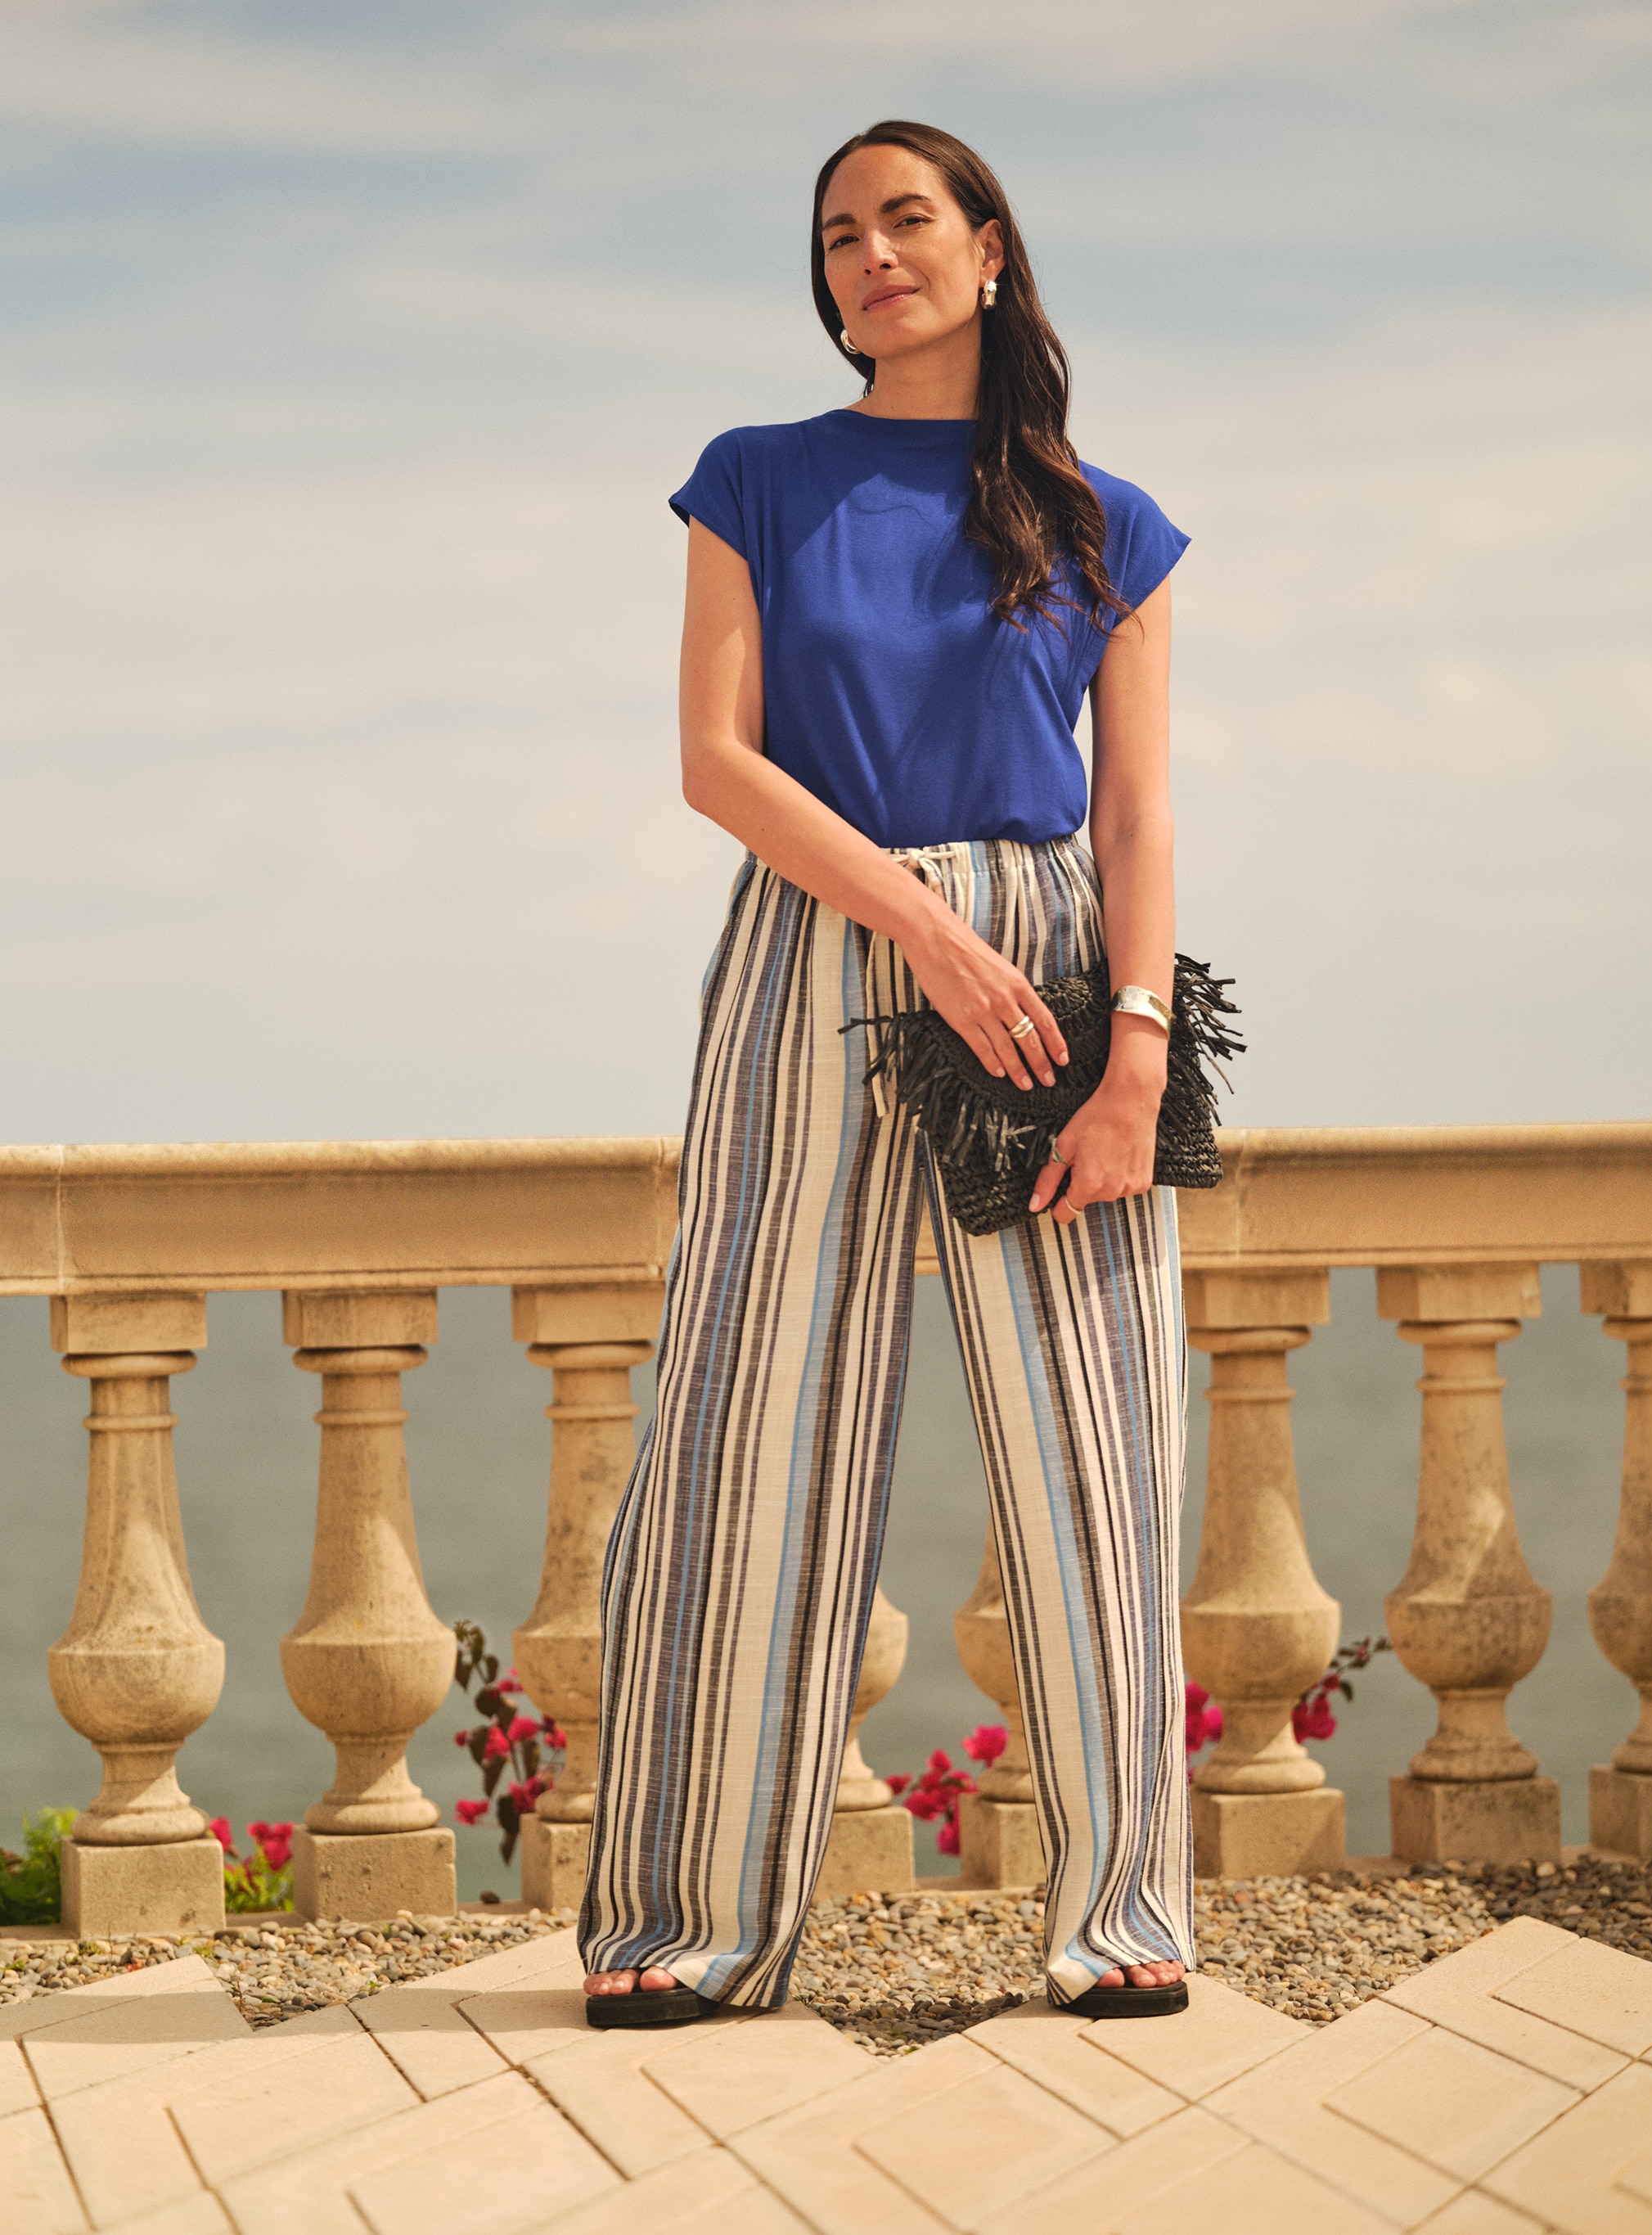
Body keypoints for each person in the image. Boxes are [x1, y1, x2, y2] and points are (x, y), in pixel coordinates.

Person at [579, 119, 1192, 2027]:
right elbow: (715, 758)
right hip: (816, 949)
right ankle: (691, 1927)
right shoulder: (755, 481)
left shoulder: (1102, 519)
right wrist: (916, 929)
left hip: (1055, 970)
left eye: (906, 220)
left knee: (1096, 1442)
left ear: (991, 248)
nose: (870, 256)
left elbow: (1143, 811)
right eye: (838, 234)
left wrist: (1134, 1057)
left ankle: (1122, 1914)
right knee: (741, 1422)